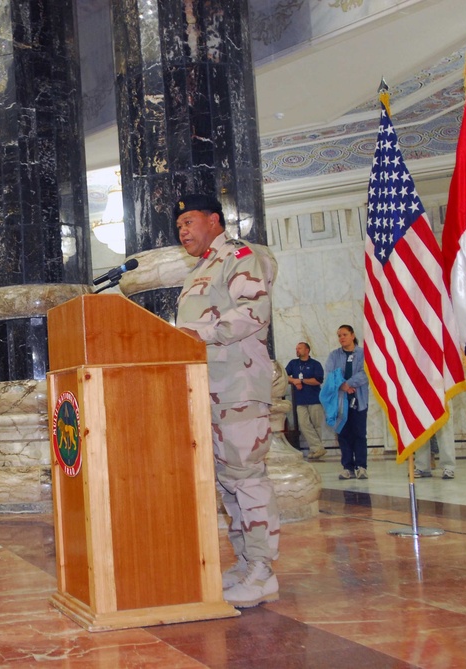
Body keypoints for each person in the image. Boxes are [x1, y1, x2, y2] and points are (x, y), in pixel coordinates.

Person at [173, 194, 279, 609]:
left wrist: (197, 333)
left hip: (237, 385)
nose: (183, 231)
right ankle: (247, 563)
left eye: (189, 221)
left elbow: (255, 311)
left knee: (247, 478)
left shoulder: (240, 256)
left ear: (214, 220)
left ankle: (263, 570)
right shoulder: (199, 270)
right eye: (179, 226)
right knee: (229, 481)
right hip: (208, 388)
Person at [325, 325, 369, 481]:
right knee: (343, 434)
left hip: (359, 400)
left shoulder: (363, 353)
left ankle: (361, 467)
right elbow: (330, 374)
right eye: (339, 335)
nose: (341, 338)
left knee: (359, 434)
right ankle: (347, 467)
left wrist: (349, 383)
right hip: (341, 401)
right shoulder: (334, 355)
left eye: (344, 334)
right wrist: (342, 385)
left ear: (352, 335)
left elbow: (366, 373)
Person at [285, 342, 326, 460]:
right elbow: (284, 376)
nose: (297, 350)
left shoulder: (315, 364)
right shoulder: (293, 363)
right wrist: (294, 381)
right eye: (296, 348)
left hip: (314, 399)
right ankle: (318, 448)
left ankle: (315, 450)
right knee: (304, 425)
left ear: (307, 350)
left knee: (316, 425)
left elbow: (318, 380)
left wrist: (302, 381)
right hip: (300, 400)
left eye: (300, 348)